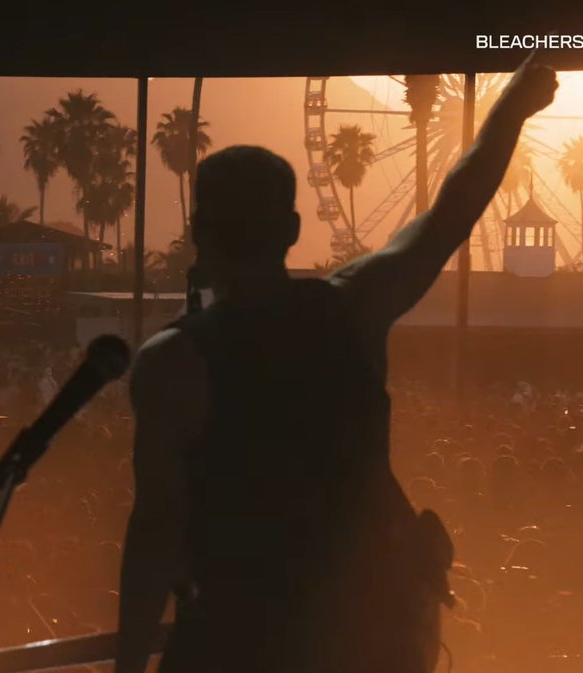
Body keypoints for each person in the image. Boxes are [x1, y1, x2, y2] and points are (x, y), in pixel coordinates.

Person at [115, 53, 557, 673]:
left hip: (233, 641)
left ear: (199, 232)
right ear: (293, 228)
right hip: (362, 641)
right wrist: (512, 107)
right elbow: (451, 214)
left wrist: (129, 664)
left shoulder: (172, 366)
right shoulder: (354, 310)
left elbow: (154, 535)